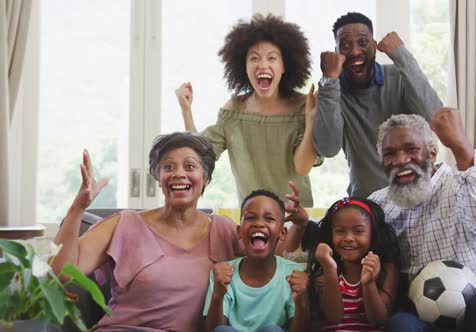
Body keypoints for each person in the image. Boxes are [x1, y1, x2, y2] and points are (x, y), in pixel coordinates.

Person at [51, 132, 308, 332]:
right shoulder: (124, 225)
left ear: (205, 178)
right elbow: (61, 272)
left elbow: (271, 263)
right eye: (169, 167)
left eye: (190, 166)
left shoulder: (223, 229)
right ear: (158, 177)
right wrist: (78, 207)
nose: (179, 174)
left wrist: (298, 224)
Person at [368, 110, 476, 331]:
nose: (401, 161)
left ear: (432, 154)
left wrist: (460, 146)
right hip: (422, 321)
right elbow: (344, 237)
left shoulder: (463, 182)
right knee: (400, 324)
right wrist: (303, 223)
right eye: (389, 154)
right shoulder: (380, 203)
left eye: (411, 150)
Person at [176, 14, 321, 207]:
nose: (263, 64)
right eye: (254, 58)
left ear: (284, 65)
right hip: (252, 221)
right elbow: (199, 156)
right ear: (243, 67)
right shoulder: (234, 109)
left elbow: (302, 168)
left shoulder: (303, 106)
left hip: (296, 220)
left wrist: (311, 120)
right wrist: (186, 110)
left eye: (272, 58)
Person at [313, 12, 442, 198]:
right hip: (368, 209)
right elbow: (328, 148)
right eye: (345, 45)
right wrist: (329, 80)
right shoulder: (331, 92)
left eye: (363, 43)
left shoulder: (398, 78)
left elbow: (435, 118)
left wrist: (401, 55)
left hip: (416, 200)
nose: (355, 51)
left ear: (374, 45)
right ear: (336, 52)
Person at [203, 190, 309, 332]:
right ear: (239, 232)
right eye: (250, 218)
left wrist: (301, 300)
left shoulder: (294, 274)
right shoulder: (223, 273)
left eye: (269, 219)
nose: (259, 223)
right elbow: (214, 329)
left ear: (282, 233)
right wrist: (218, 294)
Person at [307, 197, 400, 331]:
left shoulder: (386, 268)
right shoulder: (325, 268)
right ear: (330, 233)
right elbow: (333, 317)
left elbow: (378, 320)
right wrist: (330, 271)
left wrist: (369, 284)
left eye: (358, 231)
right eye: (340, 231)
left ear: (373, 234)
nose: (348, 238)